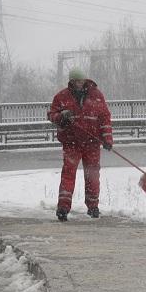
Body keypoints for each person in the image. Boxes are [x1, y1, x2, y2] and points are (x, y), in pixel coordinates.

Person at [48, 68, 113, 222]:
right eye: (76, 81)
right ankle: (63, 208)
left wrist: (107, 138)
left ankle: (93, 206)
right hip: (71, 143)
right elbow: (51, 114)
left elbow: (104, 118)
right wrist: (61, 117)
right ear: (71, 82)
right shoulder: (61, 97)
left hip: (92, 144)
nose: (79, 84)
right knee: (68, 174)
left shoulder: (97, 96)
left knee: (93, 175)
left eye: (81, 81)